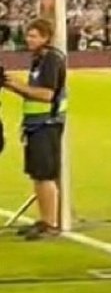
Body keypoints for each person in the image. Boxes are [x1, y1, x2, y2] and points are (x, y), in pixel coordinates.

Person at [1, 18, 68, 240]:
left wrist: (16, 85)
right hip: (35, 123)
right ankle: (43, 220)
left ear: (46, 38)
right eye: (28, 35)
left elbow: (46, 94)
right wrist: (11, 85)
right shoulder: (39, 59)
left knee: (45, 174)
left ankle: (50, 224)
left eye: (34, 35)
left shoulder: (51, 59)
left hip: (47, 122)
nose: (29, 39)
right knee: (38, 174)